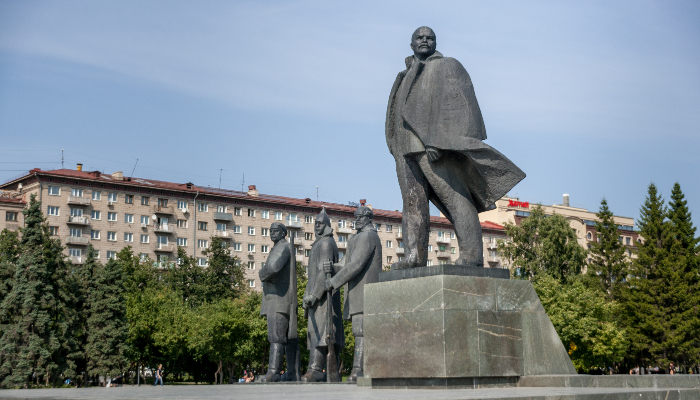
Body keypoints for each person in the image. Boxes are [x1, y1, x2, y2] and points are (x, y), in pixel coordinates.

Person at [385, 26, 525, 269]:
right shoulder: (404, 74)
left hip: (431, 145)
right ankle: (414, 257)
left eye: (430, 38)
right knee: (412, 203)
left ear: (436, 42)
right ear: (411, 44)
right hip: (404, 147)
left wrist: (440, 139)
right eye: (420, 38)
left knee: (454, 196)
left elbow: (459, 105)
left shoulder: (446, 65)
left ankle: (472, 254)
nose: (425, 41)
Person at [323, 206, 382, 382]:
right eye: (355, 216)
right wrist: (333, 267)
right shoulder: (358, 237)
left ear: (368, 218)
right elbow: (347, 263)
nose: (355, 220)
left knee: (361, 331)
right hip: (358, 292)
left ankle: (359, 369)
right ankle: (359, 368)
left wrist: (333, 282)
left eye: (359, 217)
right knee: (359, 331)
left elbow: (356, 264)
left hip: (365, 292)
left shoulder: (367, 236)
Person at [301, 209, 344, 382]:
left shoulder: (326, 243)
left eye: (320, 224)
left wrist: (315, 295)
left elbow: (322, 272)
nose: (316, 227)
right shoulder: (319, 243)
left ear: (326, 226)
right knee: (315, 331)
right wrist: (306, 295)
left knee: (322, 332)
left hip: (323, 297)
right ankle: (316, 367)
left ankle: (317, 368)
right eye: (315, 224)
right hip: (315, 296)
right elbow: (312, 276)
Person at [259, 222, 299, 382]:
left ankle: (274, 372)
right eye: (270, 231)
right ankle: (292, 373)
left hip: (278, 299)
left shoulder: (282, 247)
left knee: (276, 336)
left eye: (276, 231)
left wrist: (261, 273)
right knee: (287, 338)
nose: (272, 233)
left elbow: (273, 267)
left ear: (283, 233)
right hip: (278, 299)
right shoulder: (280, 247)